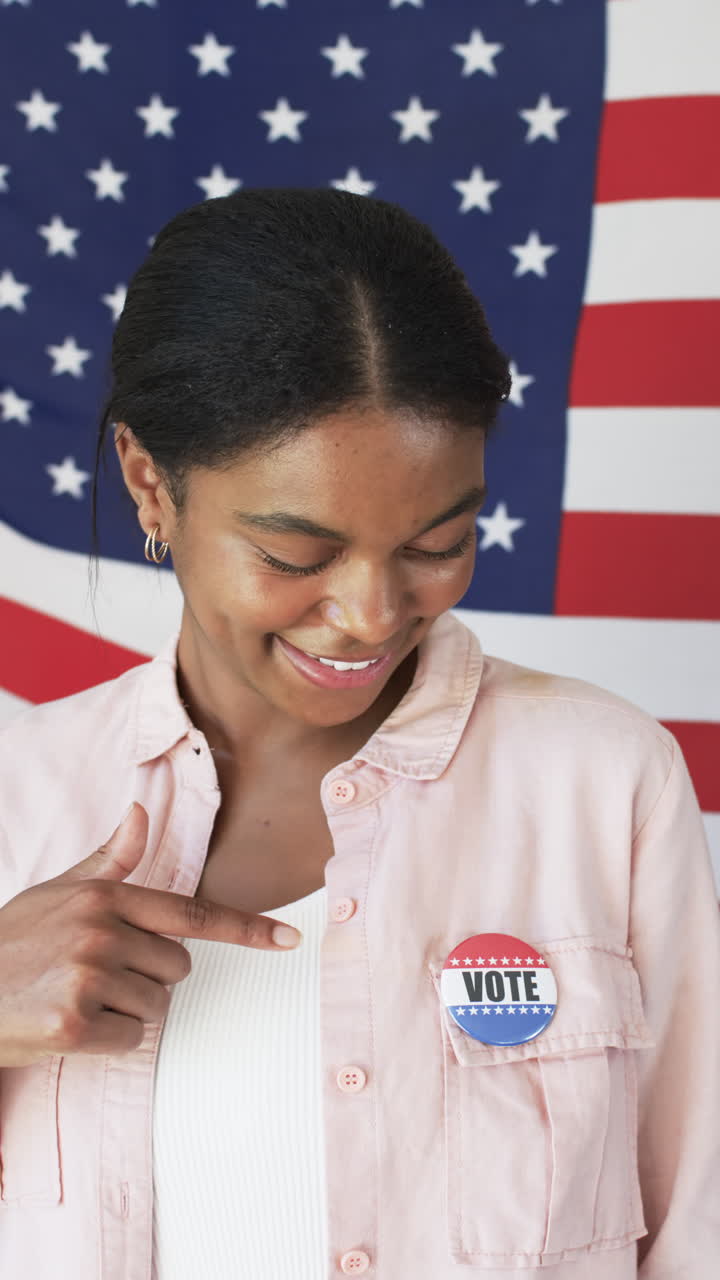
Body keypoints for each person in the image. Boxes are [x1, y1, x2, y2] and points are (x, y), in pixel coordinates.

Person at [0, 188, 717, 1280]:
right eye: (297, 553)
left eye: (440, 539)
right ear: (152, 483)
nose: (373, 612)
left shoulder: (603, 781)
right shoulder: (20, 795)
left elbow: (698, 1224)